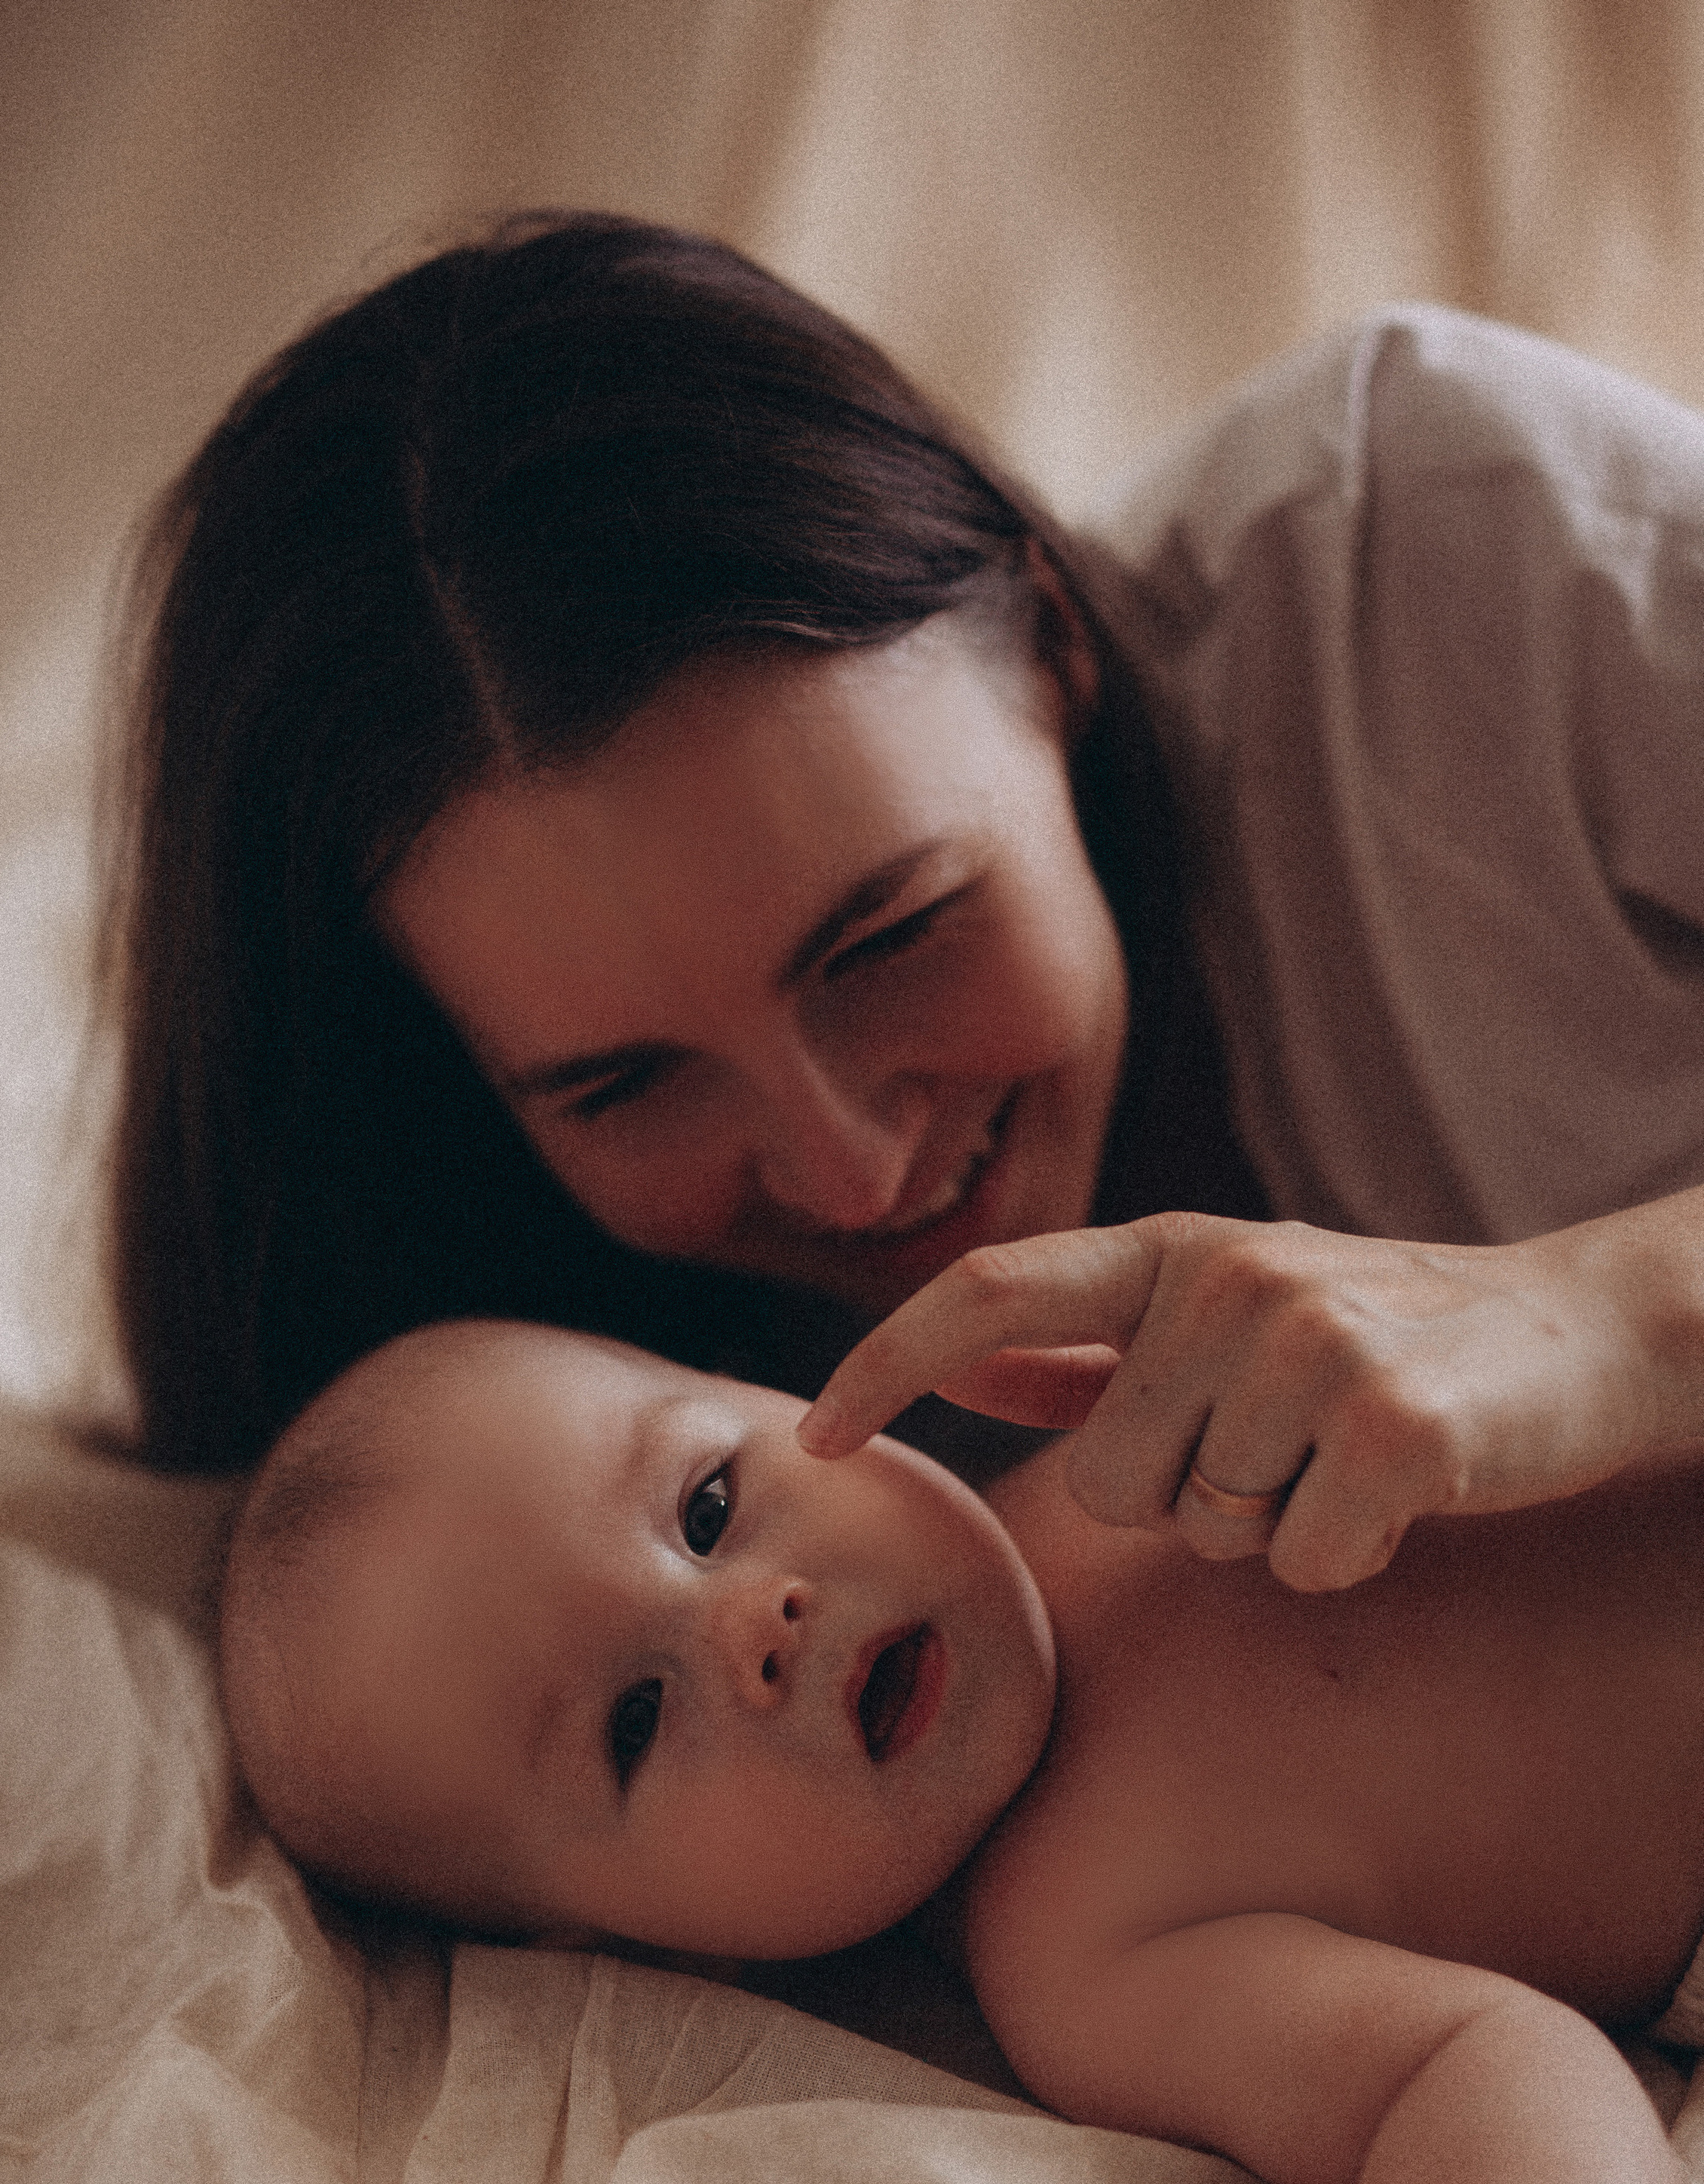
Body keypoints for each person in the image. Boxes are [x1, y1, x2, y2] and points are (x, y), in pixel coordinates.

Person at [106, 213, 1704, 1597]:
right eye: (621, 1083)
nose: (850, 1171)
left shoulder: (1435, 550)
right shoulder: (584, 1464)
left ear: (1051, 640)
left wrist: (1606, 1324)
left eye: (887, 935)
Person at [217, 1315, 1702, 2184]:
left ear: (764, 1387)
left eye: (710, 1501)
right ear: (621, 1939)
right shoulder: (1086, 1958)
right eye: (631, 1724)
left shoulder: (1117, 1418)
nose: (754, 1624)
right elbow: (1458, 2074)